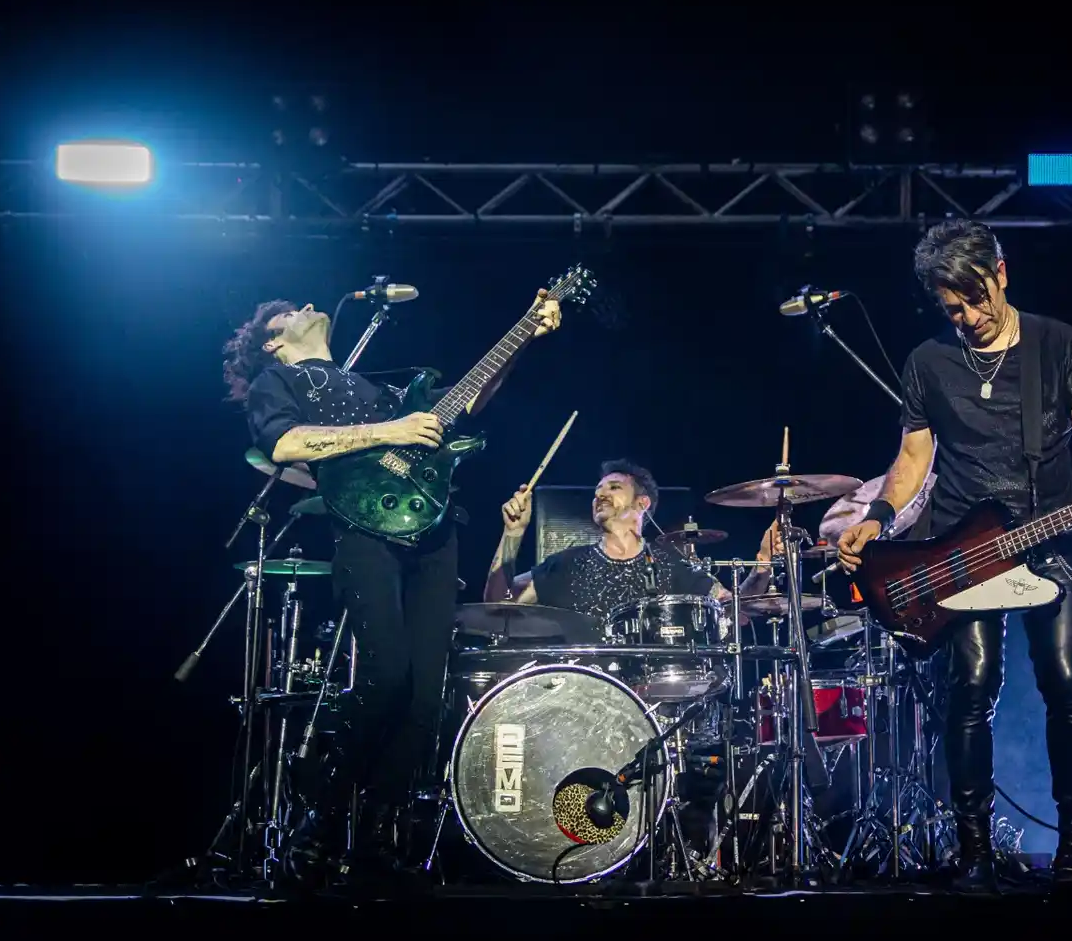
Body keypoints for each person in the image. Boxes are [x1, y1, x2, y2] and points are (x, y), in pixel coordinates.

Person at [835, 220, 1072, 893]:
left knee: (1066, 684)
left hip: (1050, 537)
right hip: (964, 550)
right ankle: (975, 855)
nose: (967, 317)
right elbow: (912, 459)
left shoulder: (1059, 345)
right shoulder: (927, 363)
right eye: (951, 308)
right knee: (970, 691)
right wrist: (876, 517)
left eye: (975, 299)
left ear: (1001, 272)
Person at [223, 290, 561, 889]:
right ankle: (321, 817)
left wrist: (525, 337)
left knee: (427, 698)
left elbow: (462, 406)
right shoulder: (281, 382)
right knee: (387, 678)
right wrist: (391, 428)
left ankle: (379, 836)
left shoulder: (374, 388)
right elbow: (284, 444)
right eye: (288, 312)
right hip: (362, 530)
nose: (305, 305)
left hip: (433, 531)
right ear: (273, 342)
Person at [482, 460, 781, 616]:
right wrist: (513, 533)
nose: (600, 494)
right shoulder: (566, 564)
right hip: (578, 703)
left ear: (642, 503)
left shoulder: (671, 566)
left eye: (613, 487)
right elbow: (497, 603)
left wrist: (762, 567)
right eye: (597, 490)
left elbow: (736, 610)